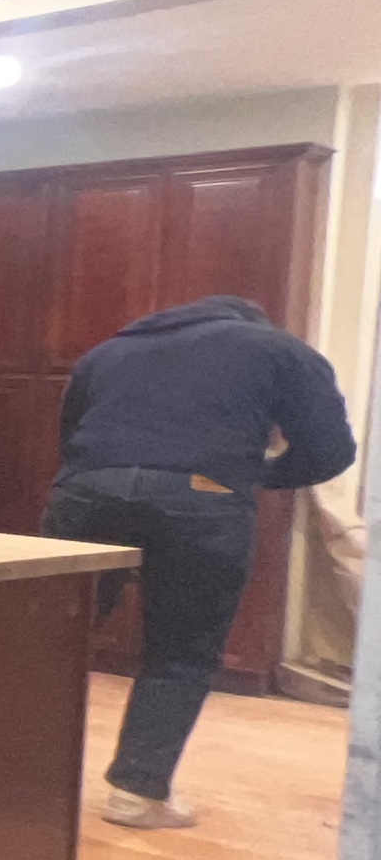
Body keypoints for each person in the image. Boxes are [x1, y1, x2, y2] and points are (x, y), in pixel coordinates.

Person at [42, 293, 355, 829]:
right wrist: (250, 474)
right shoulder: (279, 349)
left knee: (50, 640)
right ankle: (136, 795)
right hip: (200, 497)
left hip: (87, 492)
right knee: (180, 651)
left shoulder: (108, 351)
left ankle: (11, 780)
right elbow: (330, 449)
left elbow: (71, 438)